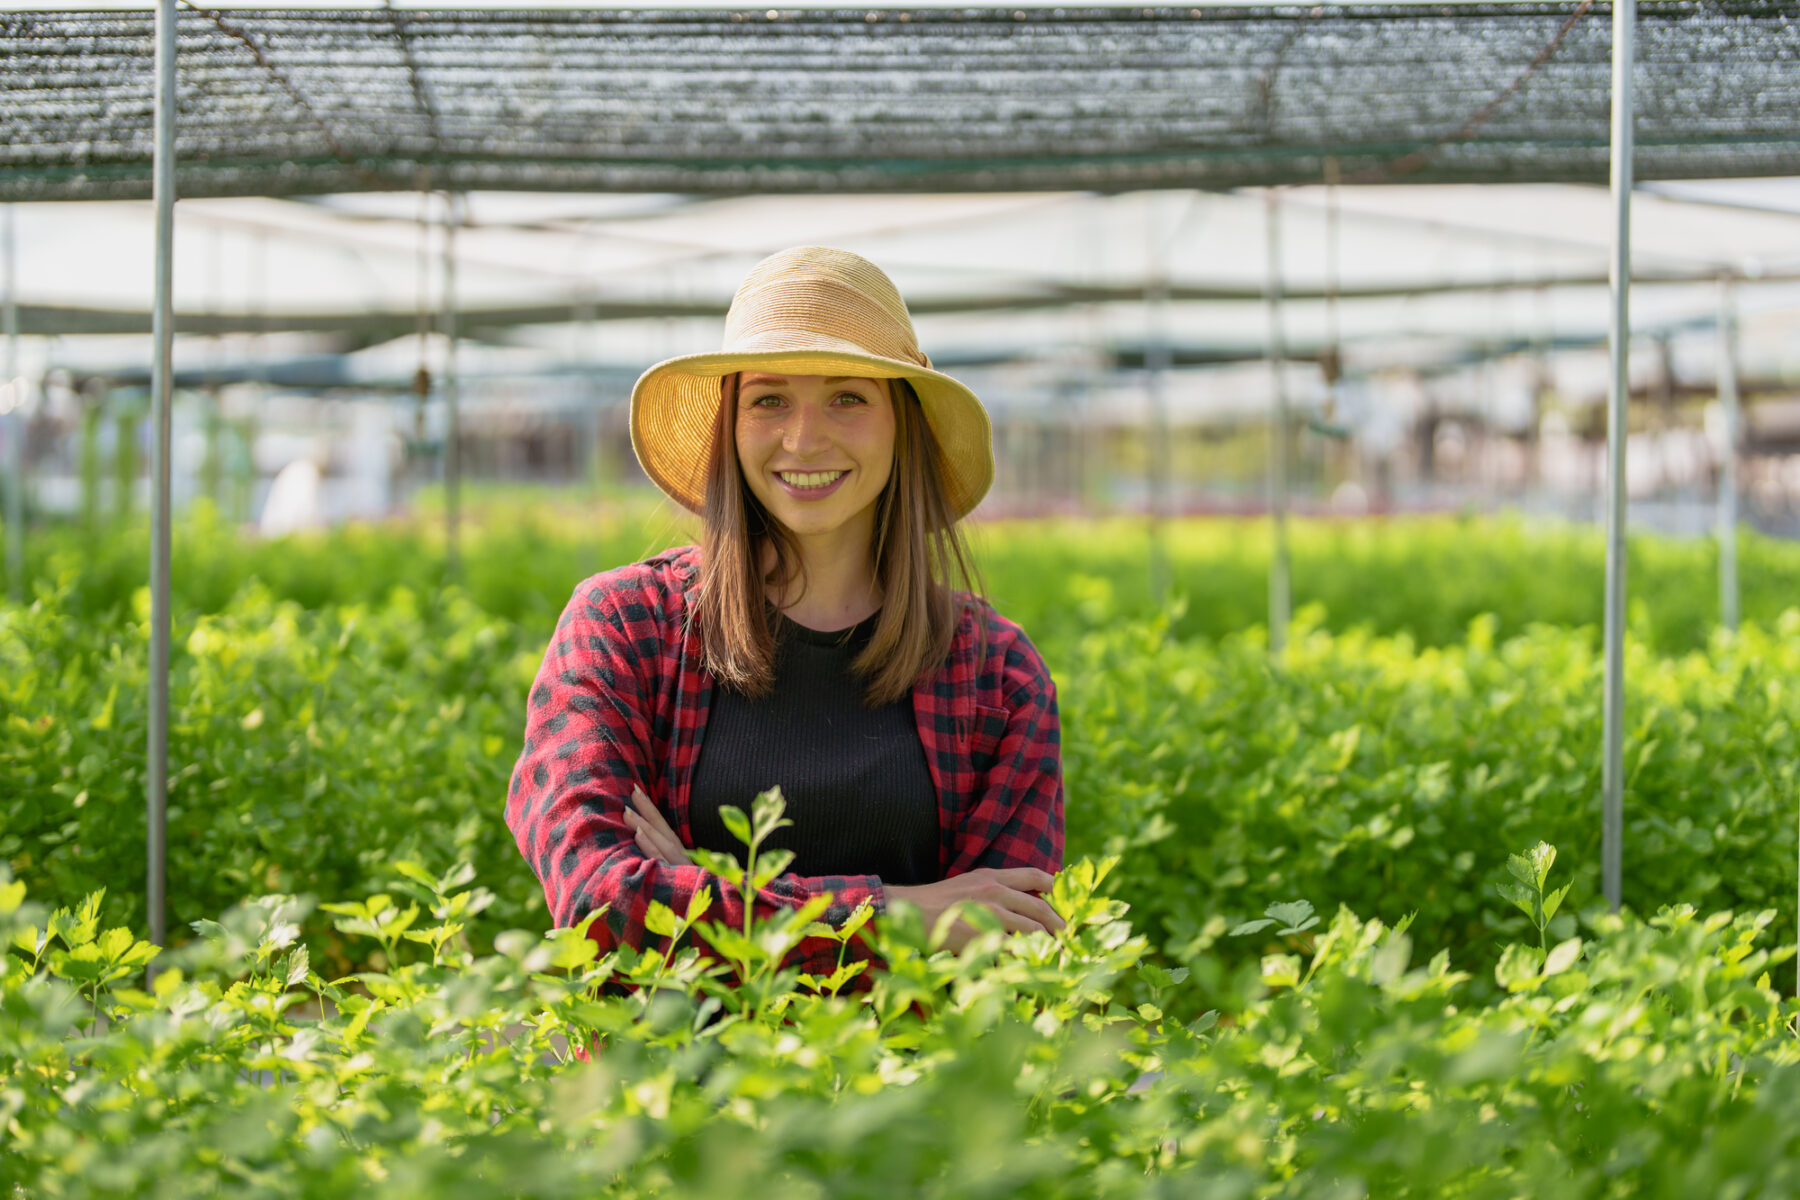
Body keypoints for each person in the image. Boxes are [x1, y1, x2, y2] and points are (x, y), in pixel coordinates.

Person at [505, 245, 1065, 992]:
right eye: (769, 399)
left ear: (902, 424)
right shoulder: (623, 628)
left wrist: (697, 890)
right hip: (662, 1096)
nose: (804, 439)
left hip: (913, 1102)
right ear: (730, 426)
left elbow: (1003, 953)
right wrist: (899, 914)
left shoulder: (996, 673)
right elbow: (599, 904)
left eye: (848, 397)